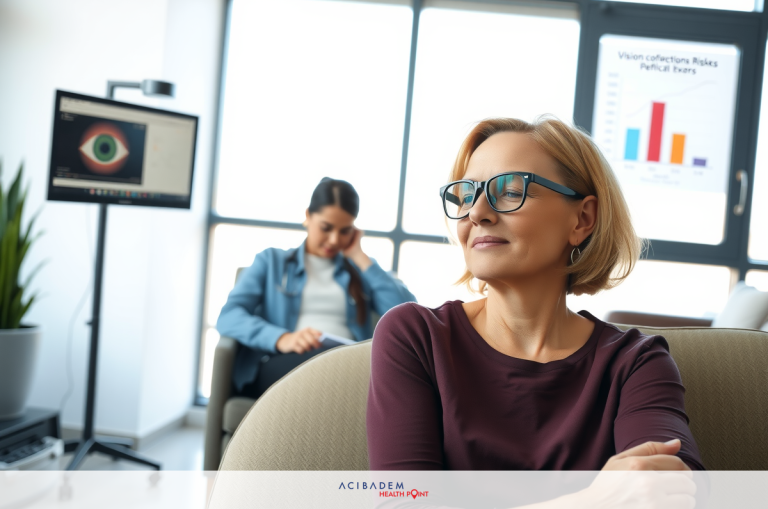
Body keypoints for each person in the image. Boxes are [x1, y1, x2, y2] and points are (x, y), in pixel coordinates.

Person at [367, 117, 704, 476]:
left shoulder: (636, 362)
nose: (477, 213)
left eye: (511, 191)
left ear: (582, 220)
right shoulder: (416, 336)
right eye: (467, 195)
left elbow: (674, 492)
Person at [218, 177, 416, 399]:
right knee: (329, 375)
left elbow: (407, 314)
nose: (333, 240)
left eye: (344, 231)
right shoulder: (271, 261)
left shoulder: (362, 271)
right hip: (288, 362)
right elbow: (229, 316)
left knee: (367, 375)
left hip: (346, 363)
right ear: (308, 217)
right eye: (326, 228)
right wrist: (282, 338)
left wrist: (360, 257)